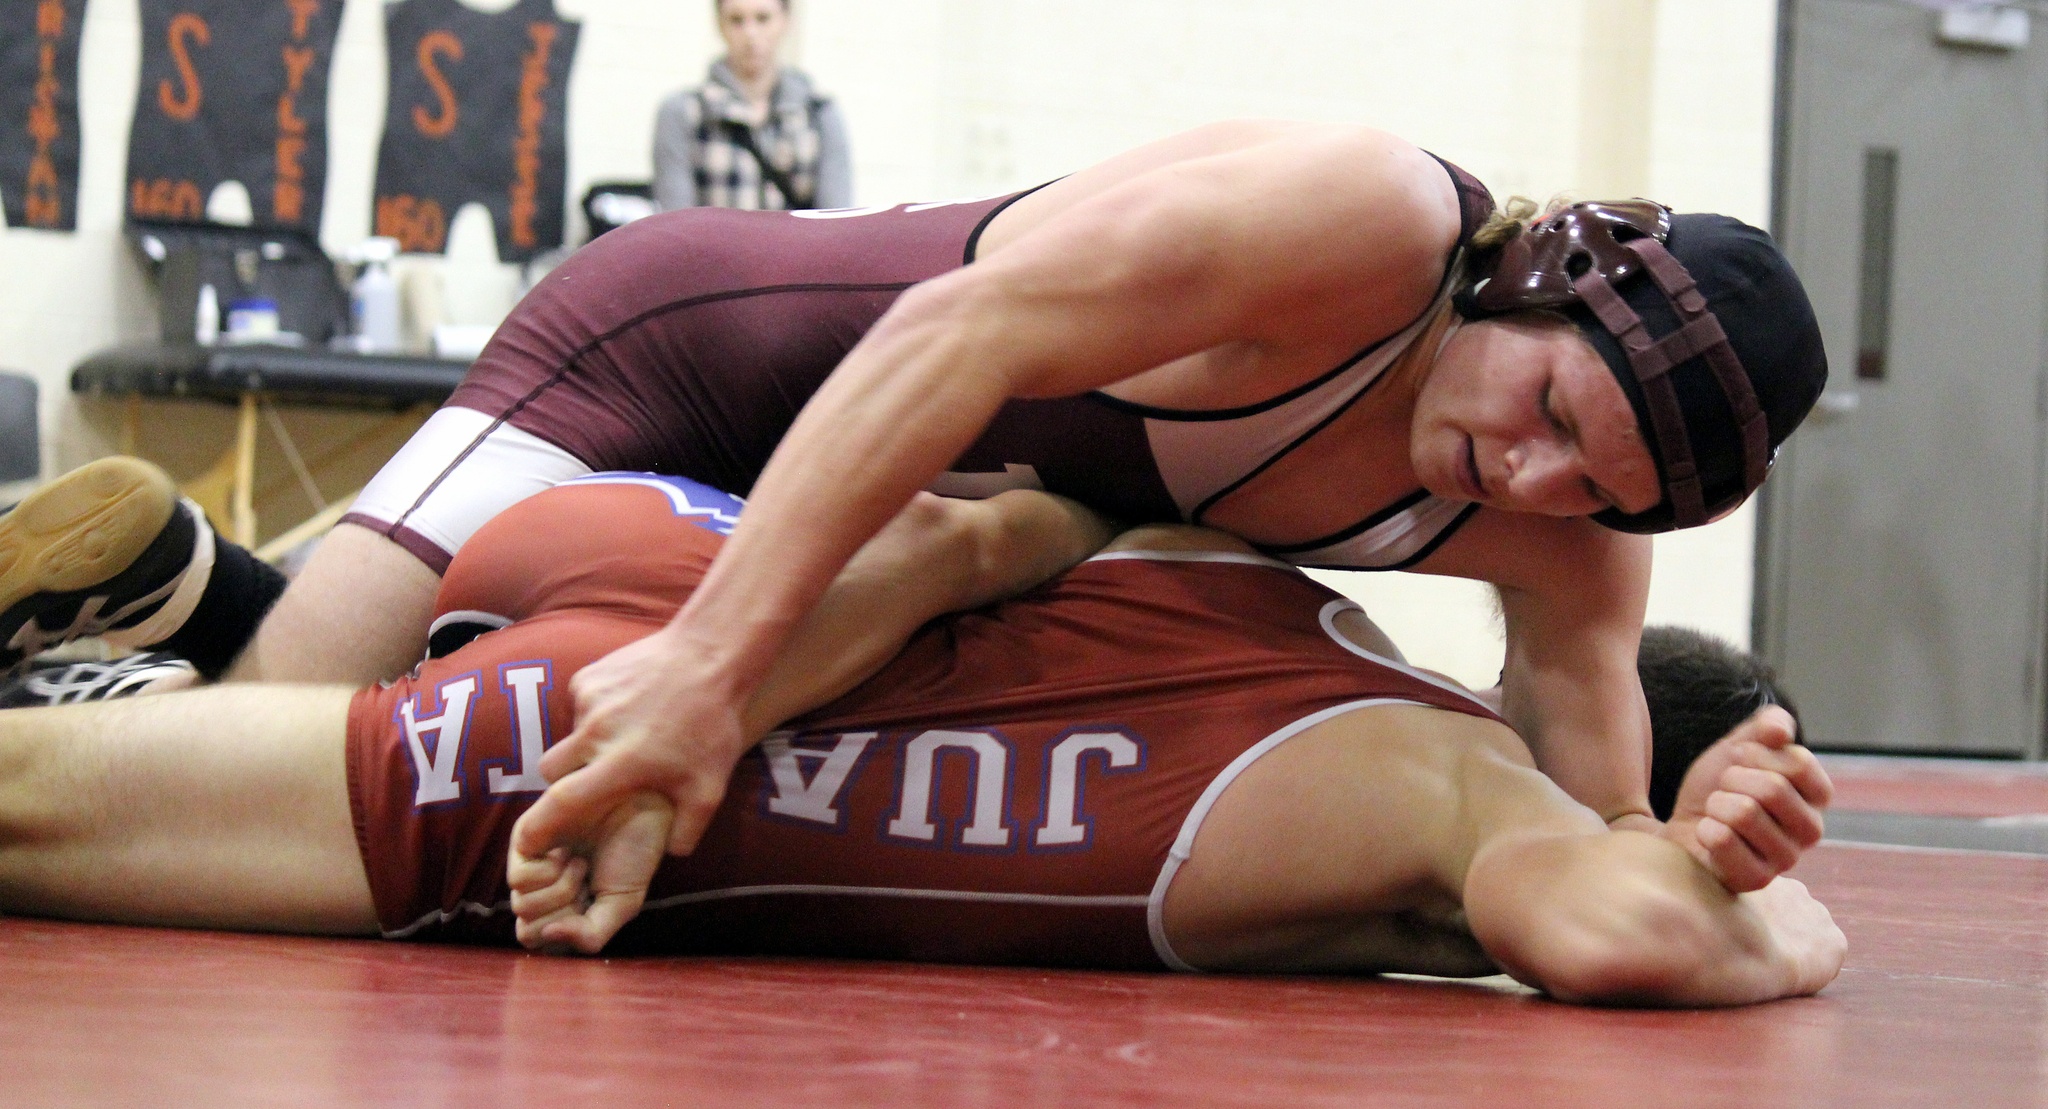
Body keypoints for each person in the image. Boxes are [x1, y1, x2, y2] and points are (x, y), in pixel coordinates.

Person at [0, 122, 1827, 879]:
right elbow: (950, 338)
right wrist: (714, 667)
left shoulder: (1569, 548)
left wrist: (1695, 861)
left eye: (1598, 487)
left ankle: (165, 594)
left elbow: (1591, 837)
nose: (1524, 480)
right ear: (1532, 283)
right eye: (1542, 413)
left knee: (438, 729)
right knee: (280, 735)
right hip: (691, 357)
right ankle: (175, 634)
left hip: (866, 512)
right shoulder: (1358, 223)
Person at [0, 475, 1840, 1007]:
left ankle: (190, 627)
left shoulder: (1263, 557)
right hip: (608, 767)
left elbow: (984, 518)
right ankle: (144, 688)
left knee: (197, 744)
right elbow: (1620, 929)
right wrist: (1781, 920)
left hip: (690, 546)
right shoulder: (1456, 788)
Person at [653, 0, 852, 213]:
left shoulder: (820, 114)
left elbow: (835, 221)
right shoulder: (684, 113)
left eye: (763, 18)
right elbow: (676, 223)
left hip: (797, 246)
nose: (751, 34)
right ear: (720, 24)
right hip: (715, 246)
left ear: (785, 21)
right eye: (737, 20)